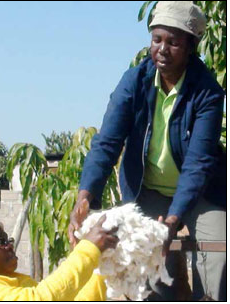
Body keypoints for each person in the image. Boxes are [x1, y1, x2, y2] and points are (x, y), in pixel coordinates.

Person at [68, 1, 226, 301]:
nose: (163, 49)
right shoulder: (134, 82)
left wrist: (172, 221)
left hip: (203, 193)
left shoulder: (208, 92)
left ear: (191, 46)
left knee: (217, 255)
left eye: (174, 42)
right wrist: (84, 198)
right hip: (148, 190)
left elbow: (198, 164)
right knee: (148, 262)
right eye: (157, 40)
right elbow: (107, 143)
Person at [0, 213, 118, 301]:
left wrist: (99, 266)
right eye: (1, 241)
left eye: (8, 239)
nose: (10, 245)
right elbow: (40, 299)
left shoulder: (10, 282)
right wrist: (88, 249)